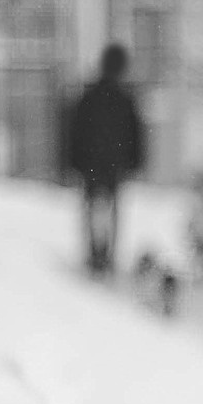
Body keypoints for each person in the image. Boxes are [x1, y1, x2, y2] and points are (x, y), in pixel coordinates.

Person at [60, 43, 146, 277]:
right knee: (112, 209)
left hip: (90, 163)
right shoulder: (125, 99)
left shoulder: (88, 97)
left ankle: (94, 253)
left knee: (91, 207)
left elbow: (74, 132)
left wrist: (72, 162)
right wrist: (135, 162)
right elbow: (135, 135)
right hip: (114, 165)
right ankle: (107, 255)